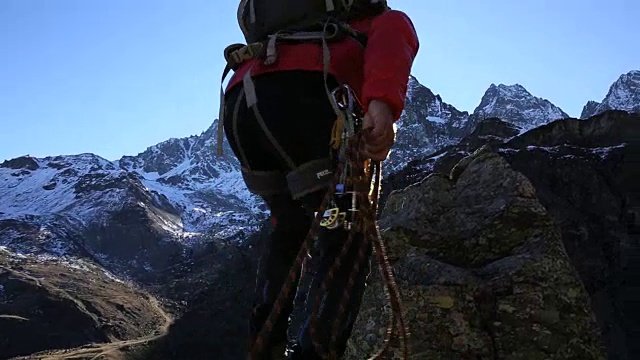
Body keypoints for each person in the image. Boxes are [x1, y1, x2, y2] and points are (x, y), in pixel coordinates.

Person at [218, 1, 419, 359]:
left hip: (242, 104)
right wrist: (382, 105)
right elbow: (395, 30)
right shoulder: (368, 19)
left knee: (288, 224)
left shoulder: (290, 25)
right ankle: (317, 353)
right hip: (306, 96)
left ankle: (264, 347)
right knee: (347, 235)